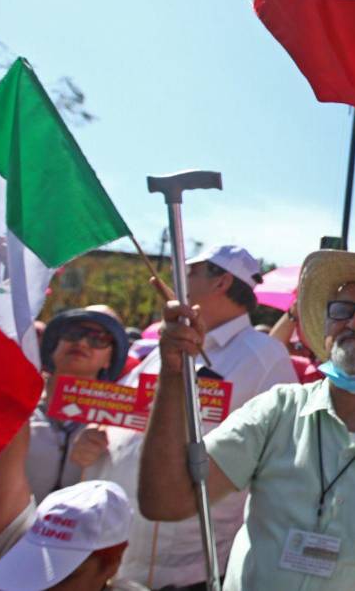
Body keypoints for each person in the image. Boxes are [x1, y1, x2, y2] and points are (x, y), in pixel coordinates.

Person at [137, 245, 355, 589]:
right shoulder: (276, 410)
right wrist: (174, 375)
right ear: (324, 328)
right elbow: (166, 502)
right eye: (341, 310)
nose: (354, 322)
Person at [83, 244, 297, 589]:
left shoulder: (264, 357)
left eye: (192, 270)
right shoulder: (162, 350)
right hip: (112, 559)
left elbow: (281, 463)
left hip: (187, 572)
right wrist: (91, 438)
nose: (178, 276)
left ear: (222, 282)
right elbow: (117, 415)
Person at [0, 422, 140, 591]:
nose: (42, 588)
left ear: (111, 565)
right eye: (30, 566)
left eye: (62, 576)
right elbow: (2, 480)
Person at [29, 307, 129, 502]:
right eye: (73, 333)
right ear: (54, 346)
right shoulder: (18, 411)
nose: (82, 342)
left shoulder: (117, 431)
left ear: (110, 358)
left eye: (98, 338)